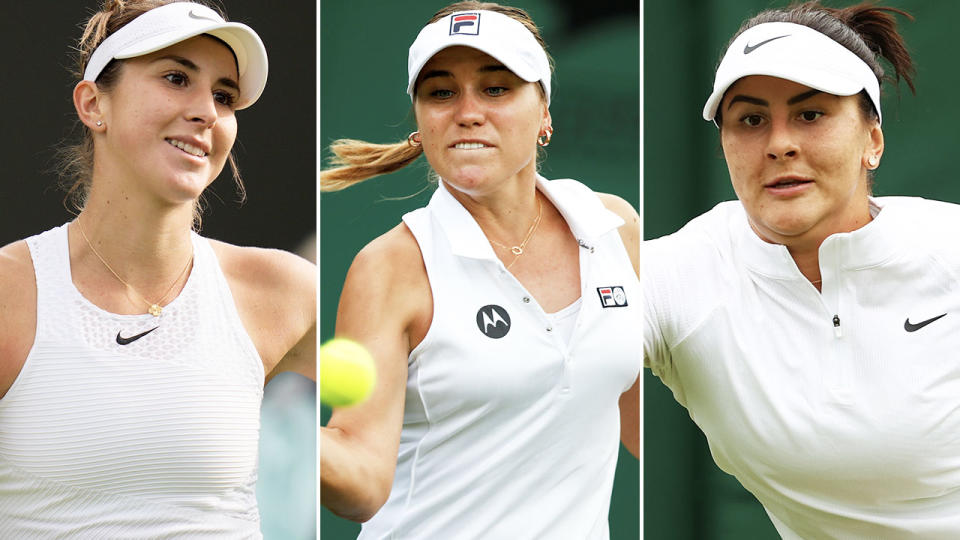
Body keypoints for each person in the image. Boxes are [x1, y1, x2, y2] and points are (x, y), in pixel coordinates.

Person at [320, 2, 640, 538]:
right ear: (420, 123)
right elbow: (363, 479)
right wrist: (251, 426)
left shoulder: (615, 227)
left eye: (495, 89)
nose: (467, 111)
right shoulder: (390, 267)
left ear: (544, 114)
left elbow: (640, 425)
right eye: (441, 92)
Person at [644, 1, 960, 538]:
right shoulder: (677, 274)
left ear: (872, 140)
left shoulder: (949, 249)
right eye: (750, 120)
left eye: (810, 115)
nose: (780, 144)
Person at [0, 1, 316, 537]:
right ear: (93, 103)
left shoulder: (287, 292)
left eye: (224, 96)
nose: (206, 112)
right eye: (176, 78)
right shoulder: (10, 292)